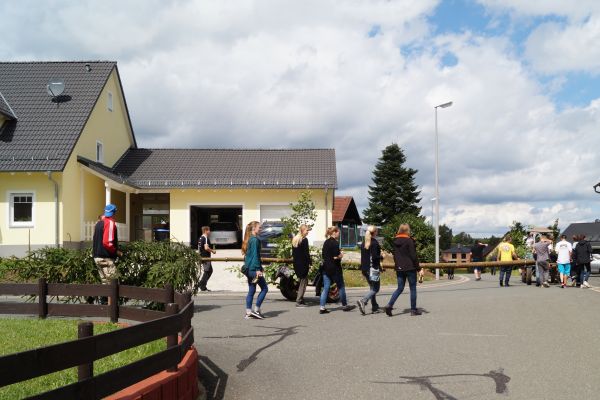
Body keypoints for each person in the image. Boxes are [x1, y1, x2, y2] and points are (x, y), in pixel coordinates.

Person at [383, 224, 423, 317]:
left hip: (399, 268)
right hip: (410, 267)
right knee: (413, 288)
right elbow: (413, 256)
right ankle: (413, 310)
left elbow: (395, 256)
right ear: (407, 230)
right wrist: (419, 269)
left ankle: (389, 305)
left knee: (400, 288)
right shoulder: (409, 241)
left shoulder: (395, 241)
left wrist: (398, 265)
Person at [319, 226, 355, 314]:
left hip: (325, 268)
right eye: (338, 232)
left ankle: (322, 307)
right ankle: (344, 306)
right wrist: (341, 255)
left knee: (326, 288)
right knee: (341, 287)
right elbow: (335, 257)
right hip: (335, 268)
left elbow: (324, 255)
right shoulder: (335, 243)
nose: (339, 234)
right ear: (334, 232)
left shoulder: (326, 242)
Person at [92, 204, 122, 305]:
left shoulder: (98, 224)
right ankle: (111, 308)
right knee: (113, 283)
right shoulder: (110, 223)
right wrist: (116, 251)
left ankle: (105, 307)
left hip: (97, 257)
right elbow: (107, 242)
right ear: (114, 213)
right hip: (106, 258)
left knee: (105, 283)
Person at [242, 221, 268, 319]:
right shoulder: (255, 240)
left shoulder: (249, 239)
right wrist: (258, 269)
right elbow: (255, 255)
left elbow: (249, 256)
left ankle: (248, 312)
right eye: (259, 227)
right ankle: (256, 310)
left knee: (252, 290)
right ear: (254, 229)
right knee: (264, 289)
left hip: (248, 269)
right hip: (253, 270)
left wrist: (259, 267)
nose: (261, 229)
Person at [357, 225, 383, 315]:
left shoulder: (364, 242)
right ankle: (363, 301)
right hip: (372, 269)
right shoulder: (374, 243)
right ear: (374, 232)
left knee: (372, 288)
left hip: (365, 268)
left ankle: (374, 307)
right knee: (376, 288)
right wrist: (382, 256)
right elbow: (375, 257)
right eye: (377, 231)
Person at [292, 224, 311, 307]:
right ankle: (299, 300)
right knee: (303, 283)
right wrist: (310, 263)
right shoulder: (304, 240)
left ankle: (301, 299)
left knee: (302, 282)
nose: (308, 232)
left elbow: (294, 254)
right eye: (307, 230)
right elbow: (306, 254)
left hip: (296, 264)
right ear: (303, 231)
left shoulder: (295, 239)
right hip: (303, 264)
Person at [198, 226, 217, 292]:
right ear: (206, 231)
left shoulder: (200, 238)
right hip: (206, 257)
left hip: (202, 256)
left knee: (209, 270)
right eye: (209, 230)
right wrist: (212, 251)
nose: (210, 232)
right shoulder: (205, 238)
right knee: (207, 271)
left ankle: (202, 284)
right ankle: (202, 286)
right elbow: (206, 248)